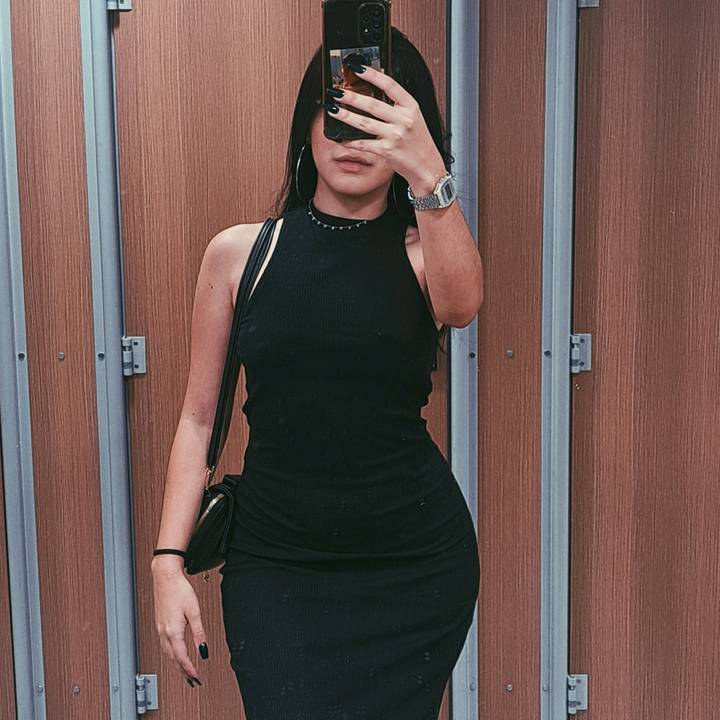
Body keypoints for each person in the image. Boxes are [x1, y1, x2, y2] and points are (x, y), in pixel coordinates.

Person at [151, 26, 484, 719]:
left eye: (377, 121)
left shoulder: (425, 255)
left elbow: (462, 306)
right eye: (338, 114)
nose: (352, 139)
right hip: (277, 569)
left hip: (413, 568)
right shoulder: (240, 255)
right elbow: (198, 419)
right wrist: (167, 561)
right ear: (307, 123)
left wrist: (430, 173)